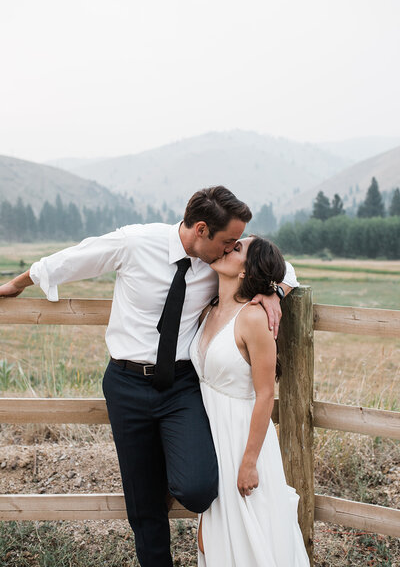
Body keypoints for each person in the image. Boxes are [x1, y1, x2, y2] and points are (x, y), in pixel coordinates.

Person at [0, 186, 298, 567]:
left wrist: (273, 291)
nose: (231, 248)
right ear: (202, 229)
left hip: (181, 386)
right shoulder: (136, 243)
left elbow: (281, 268)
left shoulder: (218, 263)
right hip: (126, 384)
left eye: (236, 243)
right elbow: (71, 259)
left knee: (197, 488)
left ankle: (166, 468)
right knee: (143, 508)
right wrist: (18, 283)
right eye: (228, 241)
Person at [190, 235, 309, 566]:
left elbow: (265, 394)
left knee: (253, 533)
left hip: (244, 438)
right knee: (215, 539)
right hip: (213, 436)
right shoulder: (210, 309)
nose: (228, 247)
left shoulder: (255, 318)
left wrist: (248, 462)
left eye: (237, 248)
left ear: (246, 271)